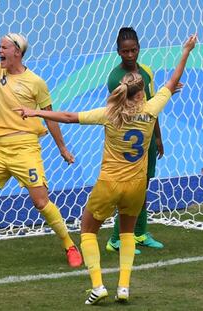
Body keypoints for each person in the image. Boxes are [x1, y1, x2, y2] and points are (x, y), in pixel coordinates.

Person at [14, 34, 197, 304]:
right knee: (126, 233)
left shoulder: (109, 114)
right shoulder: (151, 109)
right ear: (142, 92)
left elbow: (67, 117)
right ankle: (123, 288)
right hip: (136, 186)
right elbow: (171, 81)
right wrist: (185, 51)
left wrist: (36, 113)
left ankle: (98, 286)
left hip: (109, 184)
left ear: (121, 91)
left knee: (87, 230)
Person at [0, 13, 82, 267]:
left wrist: (62, 148)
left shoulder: (36, 83)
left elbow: (51, 117)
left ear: (17, 52)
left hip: (25, 148)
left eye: (3, 47)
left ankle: (70, 246)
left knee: (40, 201)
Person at [106, 27, 165, 254]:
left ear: (139, 49)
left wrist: (158, 137)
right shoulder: (115, 79)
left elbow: (151, 108)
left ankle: (139, 233)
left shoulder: (146, 72)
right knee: (128, 192)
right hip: (128, 143)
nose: (130, 55)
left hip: (147, 140)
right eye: (125, 51)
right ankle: (116, 238)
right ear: (118, 52)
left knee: (143, 188)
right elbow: (117, 114)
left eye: (133, 50)